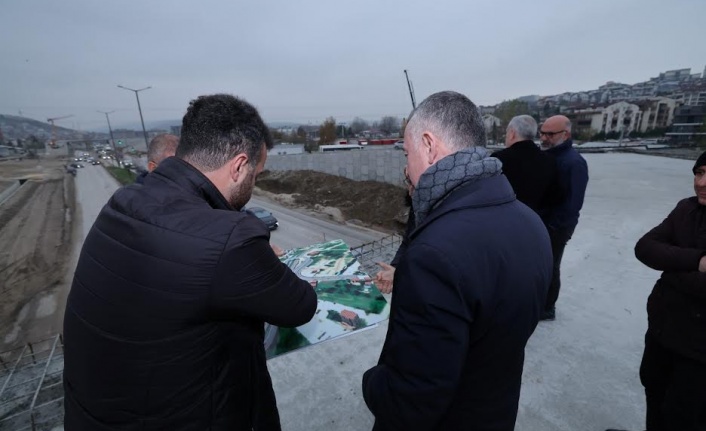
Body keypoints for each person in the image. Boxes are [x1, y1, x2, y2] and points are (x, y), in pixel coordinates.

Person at [63, 94, 317, 430]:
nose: (254, 184)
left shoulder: (123, 202)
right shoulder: (230, 237)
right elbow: (300, 306)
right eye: (256, 174)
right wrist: (260, 261)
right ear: (239, 166)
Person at [362, 91, 552, 430]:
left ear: (429, 145)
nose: (406, 168)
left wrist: (373, 382)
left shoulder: (434, 254)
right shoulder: (531, 223)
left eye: (408, 153)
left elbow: (410, 400)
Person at [606, 152, 706, 431]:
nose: (701, 182)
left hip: (698, 352)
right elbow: (645, 247)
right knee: (654, 392)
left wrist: (671, 267)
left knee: (684, 415)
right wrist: (695, 261)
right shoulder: (686, 209)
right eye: (698, 173)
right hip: (663, 333)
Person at [538, 115, 589, 321]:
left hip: (556, 227)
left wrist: (555, 227)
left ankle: (548, 307)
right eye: (542, 133)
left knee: (551, 266)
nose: (544, 138)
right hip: (542, 223)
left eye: (550, 134)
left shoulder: (574, 163)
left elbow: (573, 204)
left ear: (565, 134)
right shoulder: (549, 157)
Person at [492, 115, 562, 218]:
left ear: (512, 133)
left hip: (504, 222)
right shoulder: (550, 161)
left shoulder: (498, 160)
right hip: (538, 225)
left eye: (506, 132)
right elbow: (555, 198)